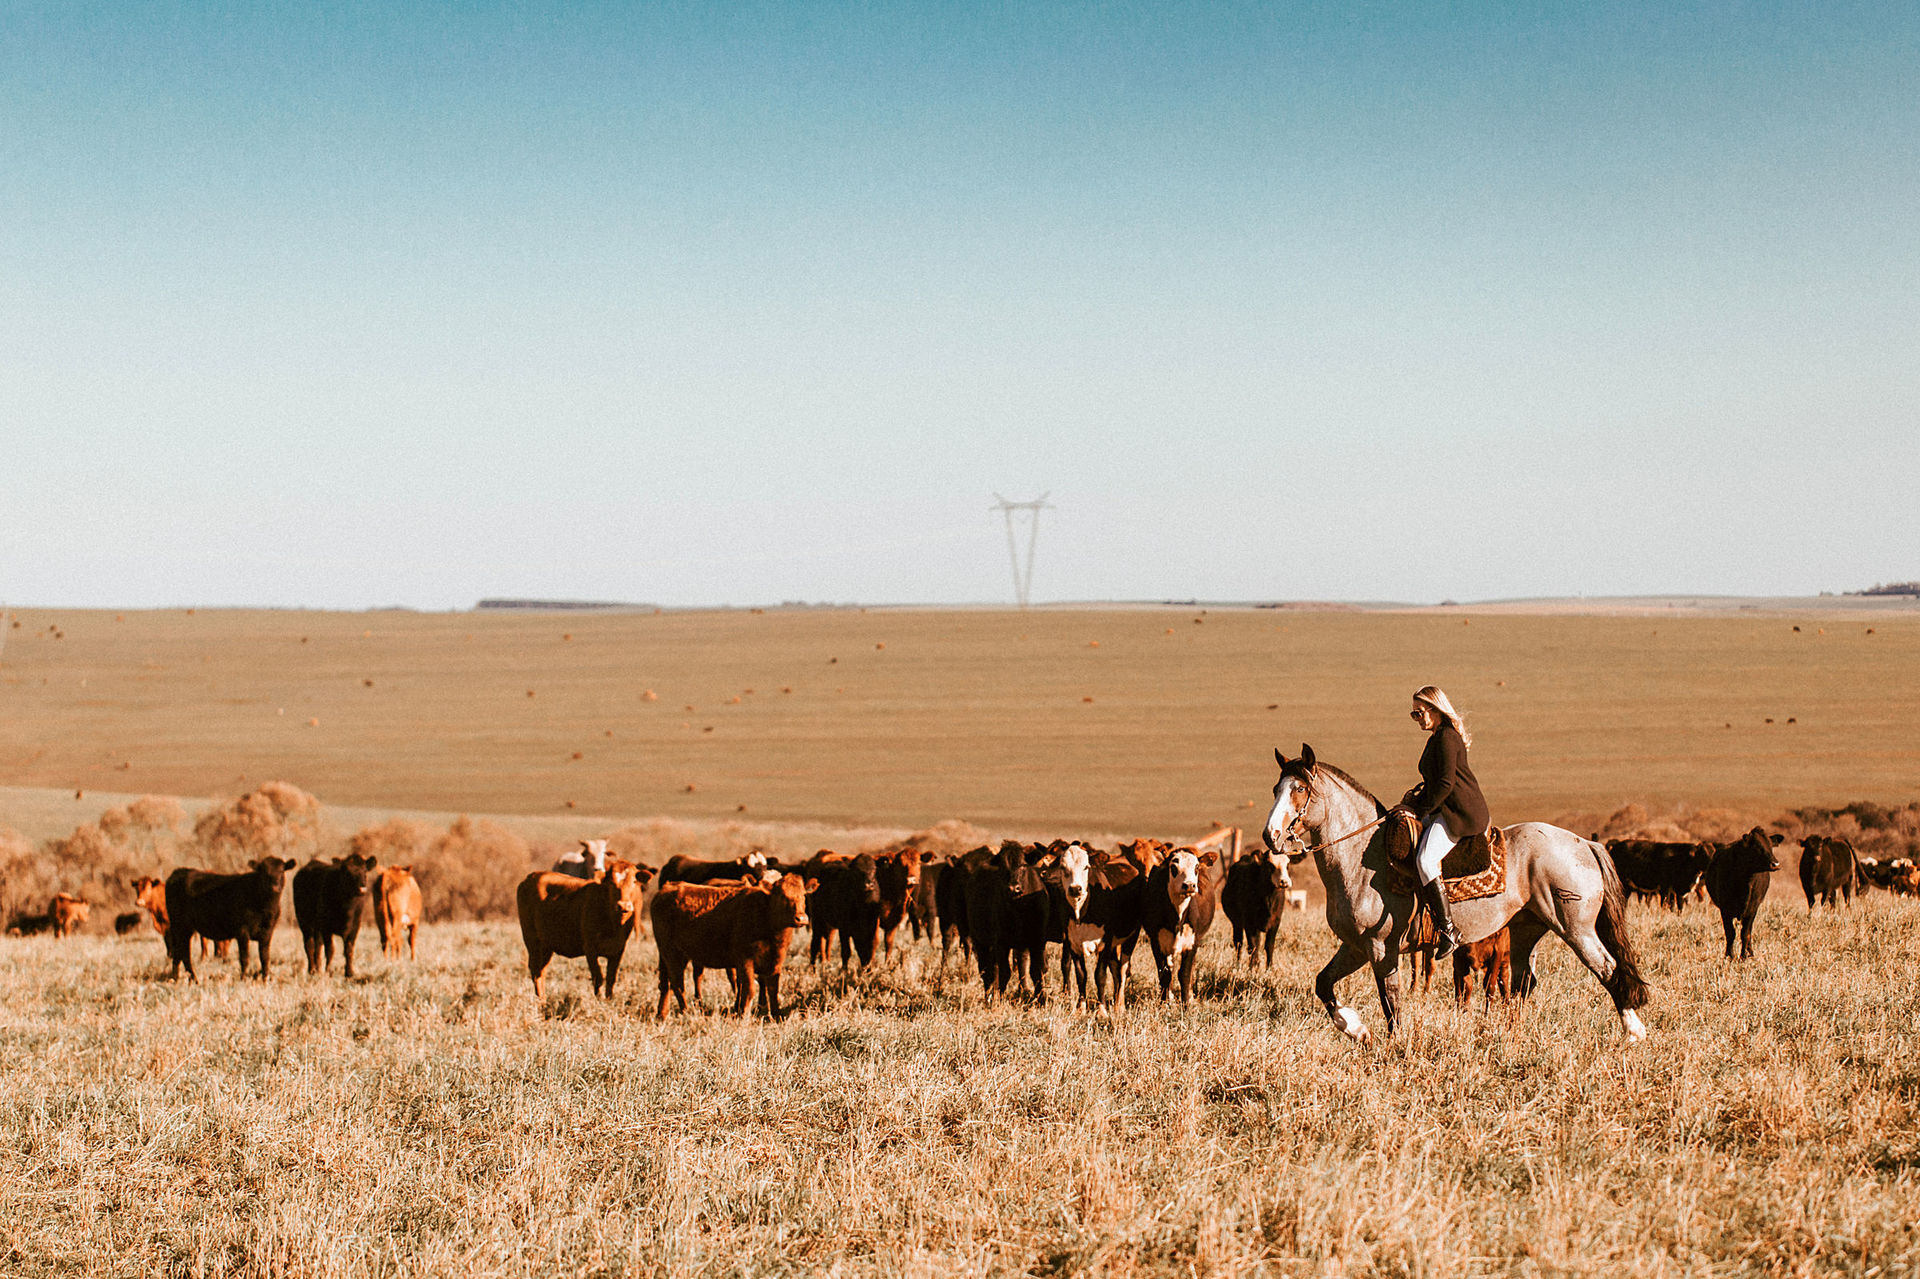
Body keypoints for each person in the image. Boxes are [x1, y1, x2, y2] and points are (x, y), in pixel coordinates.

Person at [1397, 685, 1489, 961]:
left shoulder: (1447, 738)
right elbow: (1435, 783)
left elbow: (1446, 784)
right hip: (1444, 807)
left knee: (1425, 860)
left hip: (1459, 813)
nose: (1417, 719)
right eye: (1413, 714)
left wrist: (1419, 810)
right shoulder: (1436, 737)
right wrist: (1411, 804)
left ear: (1436, 709)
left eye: (1420, 712)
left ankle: (1448, 930)